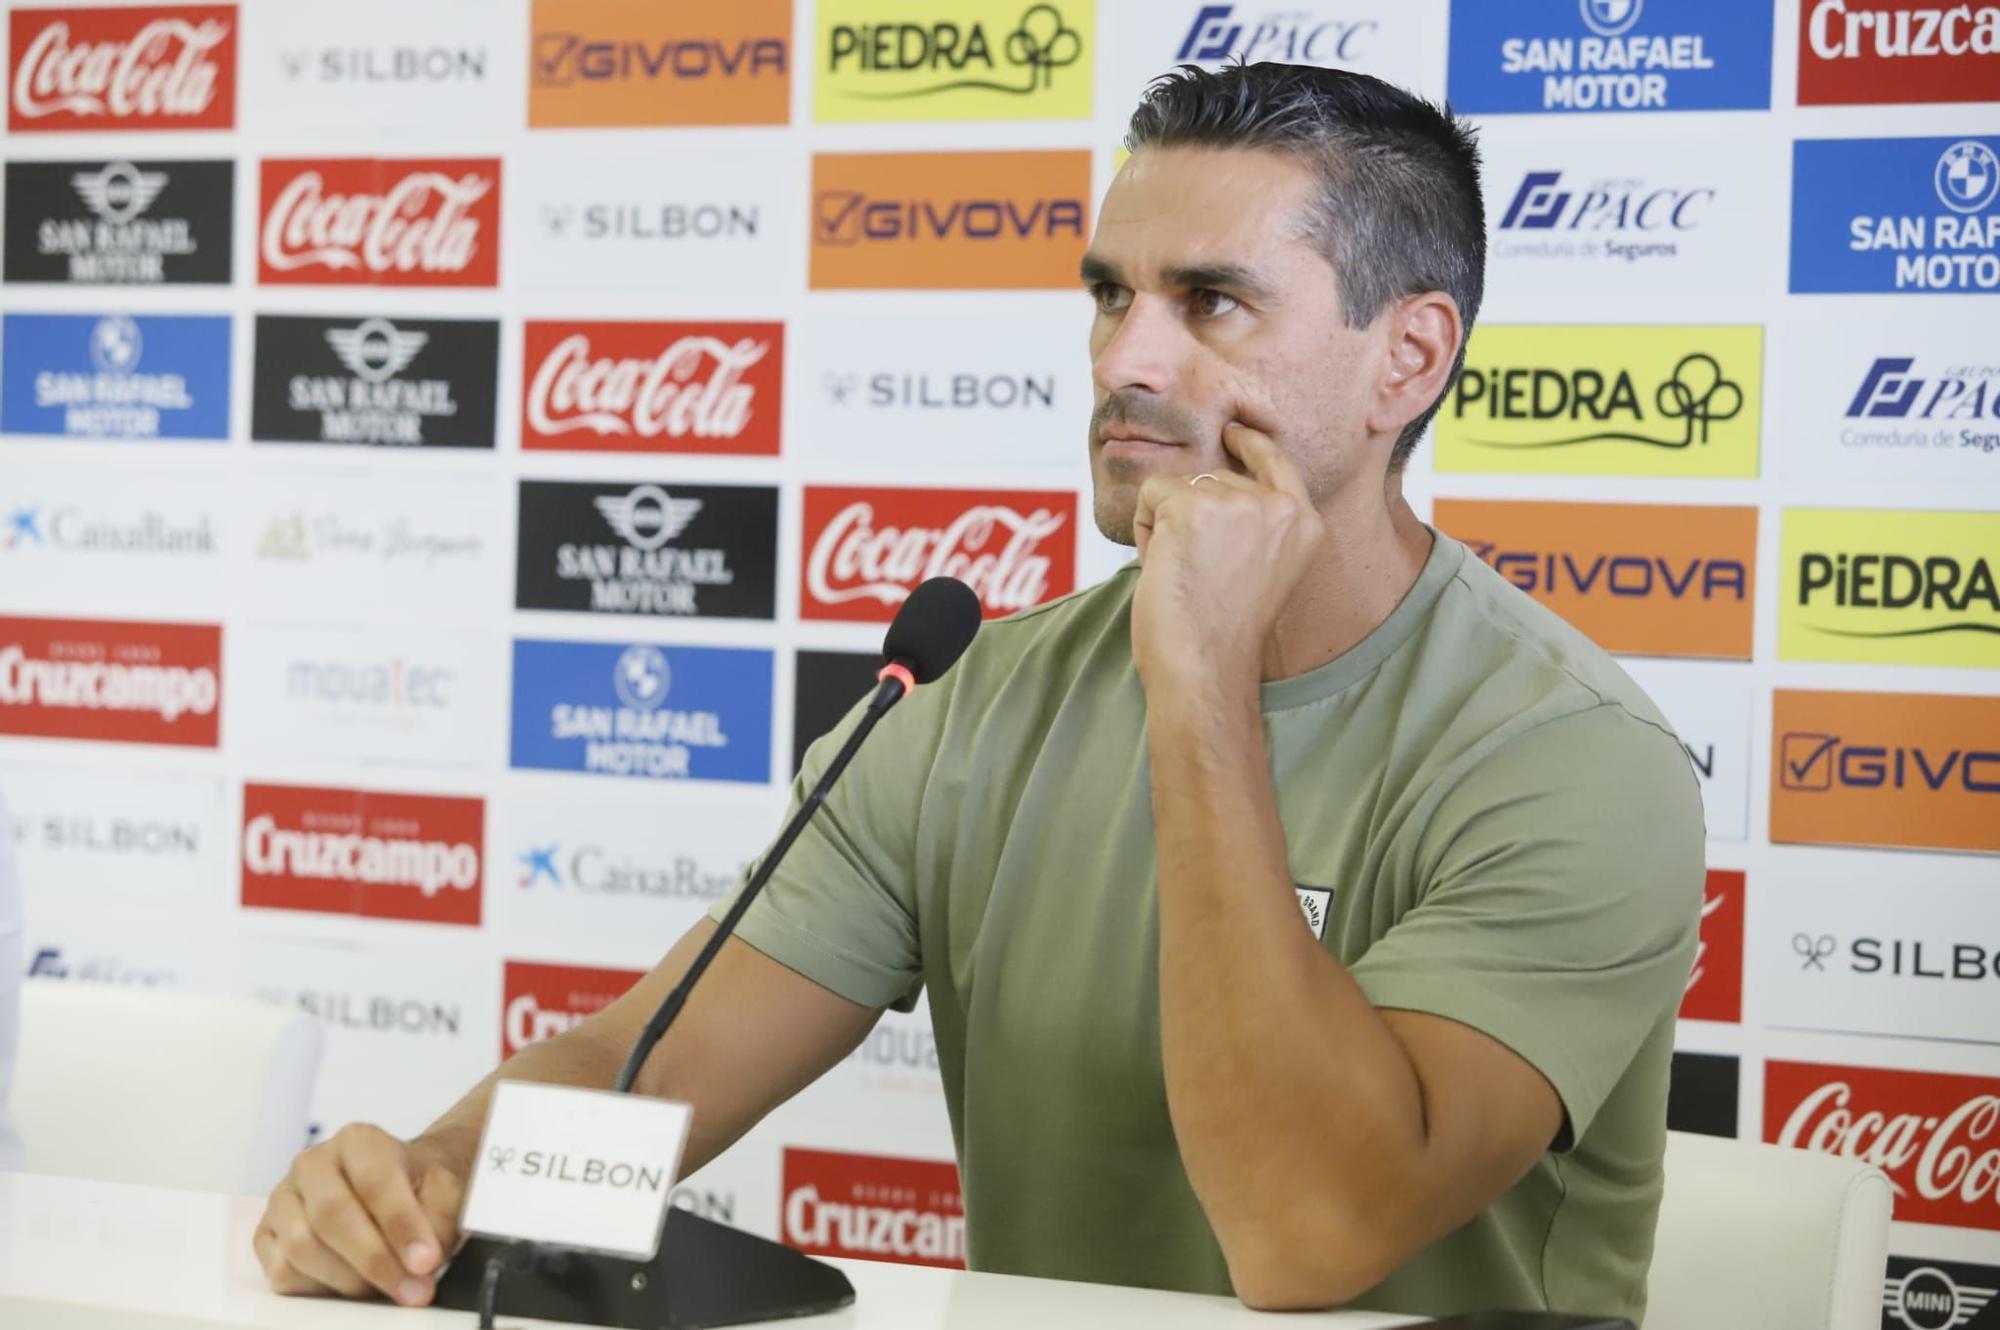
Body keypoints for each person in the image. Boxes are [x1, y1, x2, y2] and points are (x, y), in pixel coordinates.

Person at [254, 63, 1702, 1321]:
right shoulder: (968, 693)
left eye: (1212, 304)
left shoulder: (1574, 759)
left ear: (1410, 359)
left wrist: (1199, 678)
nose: (1126, 361)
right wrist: (434, 1182)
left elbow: (1309, 1232)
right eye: (1110, 295)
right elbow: (661, 1062)